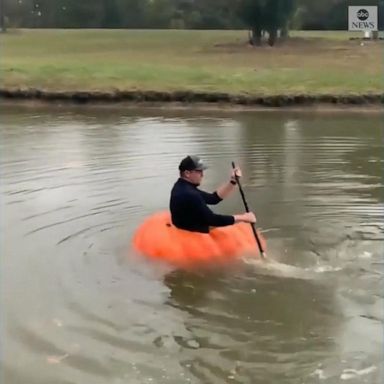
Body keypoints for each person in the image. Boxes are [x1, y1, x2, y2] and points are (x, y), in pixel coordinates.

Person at [169, 155, 256, 233]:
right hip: (188, 234)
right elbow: (212, 220)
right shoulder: (189, 194)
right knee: (229, 227)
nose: (202, 175)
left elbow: (213, 199)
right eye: (199, 171)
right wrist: (244, 218)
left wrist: (233, 181)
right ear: (187, 173)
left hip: (186, 225)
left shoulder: (182, 186)